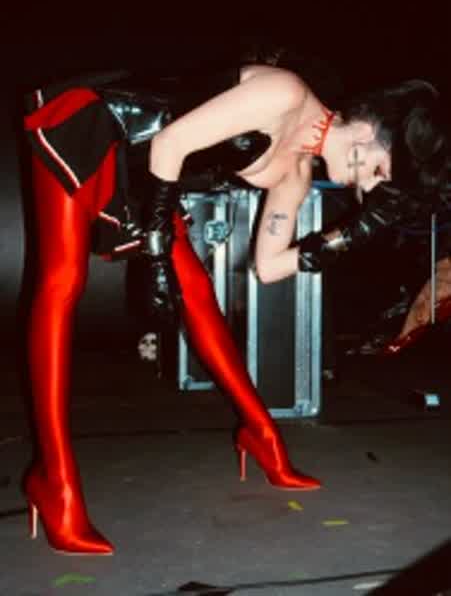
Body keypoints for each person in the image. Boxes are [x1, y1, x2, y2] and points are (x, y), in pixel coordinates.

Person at [22, 52, 449, 555]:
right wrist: (156, 254)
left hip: (149, 177)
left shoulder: (296, 176)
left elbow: (269, 266)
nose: (368, 188)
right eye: (378, 170)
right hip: (98, 127)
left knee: (198, 294)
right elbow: (170, 142)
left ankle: (262, 435)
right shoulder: (286, 94)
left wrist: (348, 236)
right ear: (365, 133)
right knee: (63, 281)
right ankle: (55, 482)